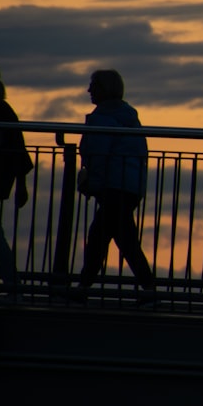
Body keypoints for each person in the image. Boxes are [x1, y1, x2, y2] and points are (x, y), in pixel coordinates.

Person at [74, 70, 155, 301]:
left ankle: (83, 286)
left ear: (104, 88)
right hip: (128, 188)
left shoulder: (104, 118)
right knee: (123, 238)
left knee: (100, 236)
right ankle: (148, 287)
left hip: (113, 187)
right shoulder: (128, 116)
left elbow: (100, 156)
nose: (89, 90)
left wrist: (92, 185)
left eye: (93, 85)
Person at [0, 76, 33, 295]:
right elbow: (19, 150)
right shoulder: (4, 110)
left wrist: (21, 185)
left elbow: (16, 149)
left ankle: (12, 282)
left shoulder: (0, 111)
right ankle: (12, 282)